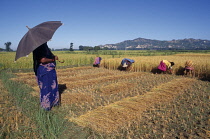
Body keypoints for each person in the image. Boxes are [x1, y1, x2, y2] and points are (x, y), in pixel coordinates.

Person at [33, 42, 60, 111]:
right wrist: (53, 59)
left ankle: (53, 103)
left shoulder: (41, 45)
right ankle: (46, 107)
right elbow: (43, 60)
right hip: (45, 71)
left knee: (52, 87)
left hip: (47, 71)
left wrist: (53, 57)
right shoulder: (40, 46)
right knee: (46, 88)